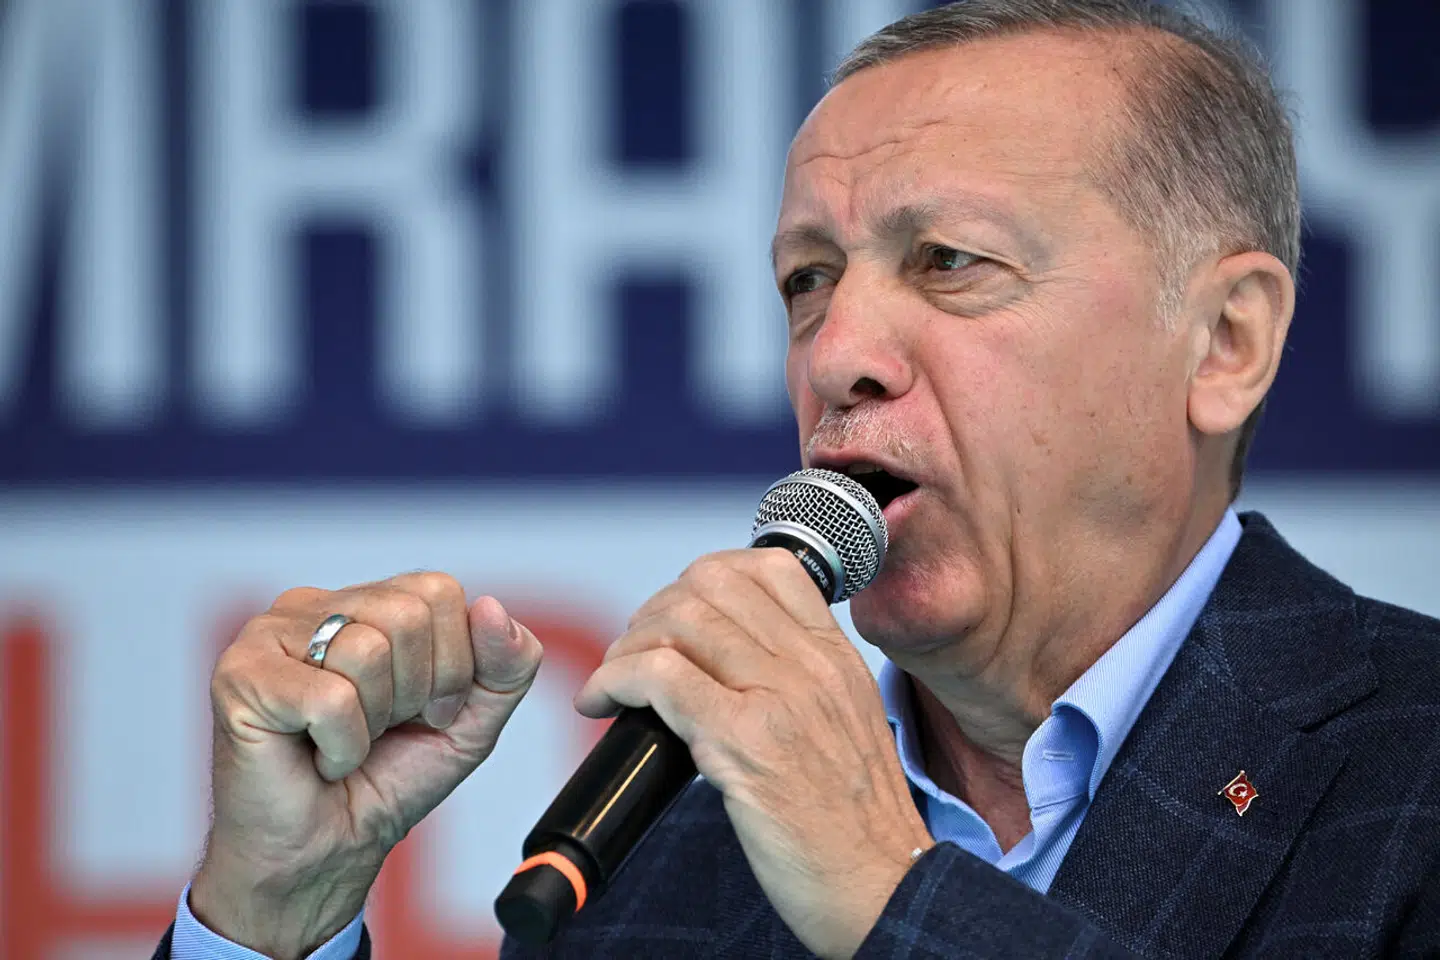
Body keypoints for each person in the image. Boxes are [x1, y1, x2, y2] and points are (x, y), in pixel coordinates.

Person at [154, 1, 1440, 958]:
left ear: (1226, 343)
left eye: (947, 261)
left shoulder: (1414, 768)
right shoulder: (663, 859)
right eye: (807, 280)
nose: (837, 356)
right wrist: (278, 919)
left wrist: (899, 902)